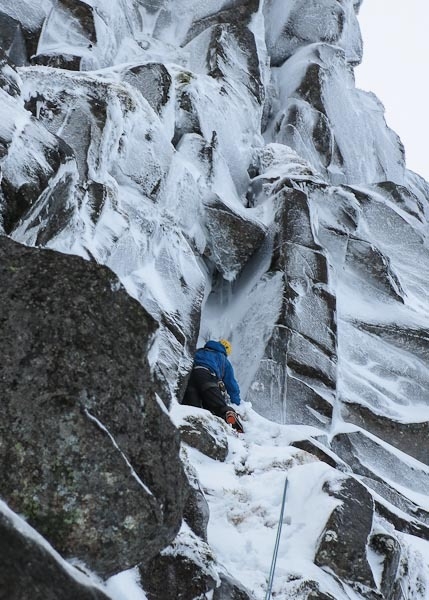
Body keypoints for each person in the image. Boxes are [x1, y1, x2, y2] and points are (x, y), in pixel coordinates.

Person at [182, 339, 244, 433]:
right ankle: (229, 415)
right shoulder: (223, 359)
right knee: (218, 405)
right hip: (207, 377)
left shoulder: (199, 351)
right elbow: (231, 384)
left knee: (194, 409)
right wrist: (237, 402)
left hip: (190, 379)